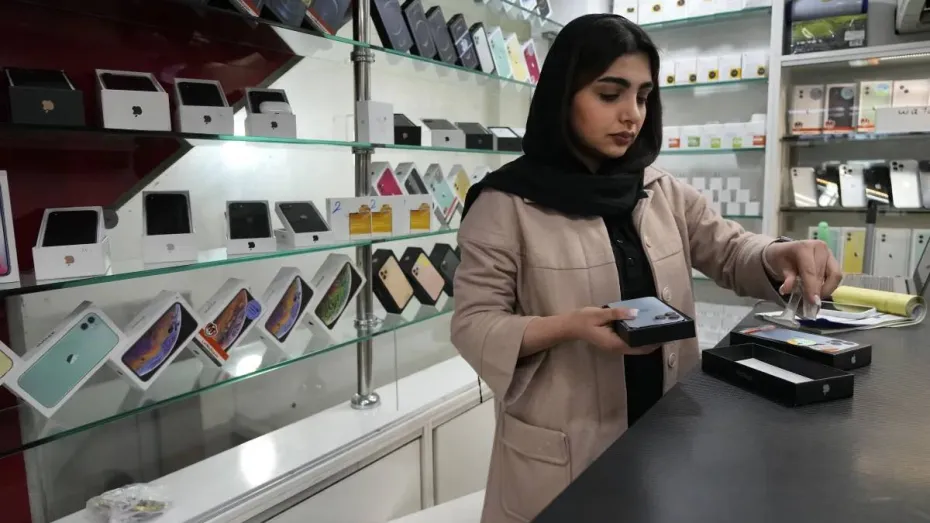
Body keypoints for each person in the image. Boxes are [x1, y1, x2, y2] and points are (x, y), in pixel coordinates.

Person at [450, 13, 842, 523]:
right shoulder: (504, 204)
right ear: (563, 95)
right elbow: (473, 323)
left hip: (663, 433)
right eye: (609, 94)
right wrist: (569, 327)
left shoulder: (659, 189)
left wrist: (777, 254)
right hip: (565, 454)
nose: (631, 114)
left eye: (643, 96)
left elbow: (729, 249)